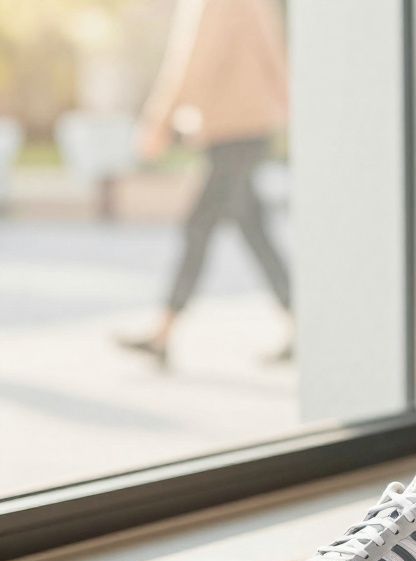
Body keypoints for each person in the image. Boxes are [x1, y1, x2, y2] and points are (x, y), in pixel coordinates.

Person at [118, 0, 291, 367]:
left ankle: (163, 333)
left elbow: (193, 61)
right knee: (253, 228)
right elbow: (273, 52)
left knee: (199, 226)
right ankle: (300, 323)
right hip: (252, 126)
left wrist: (158, 122)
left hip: (232, 129)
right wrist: (284, 107)